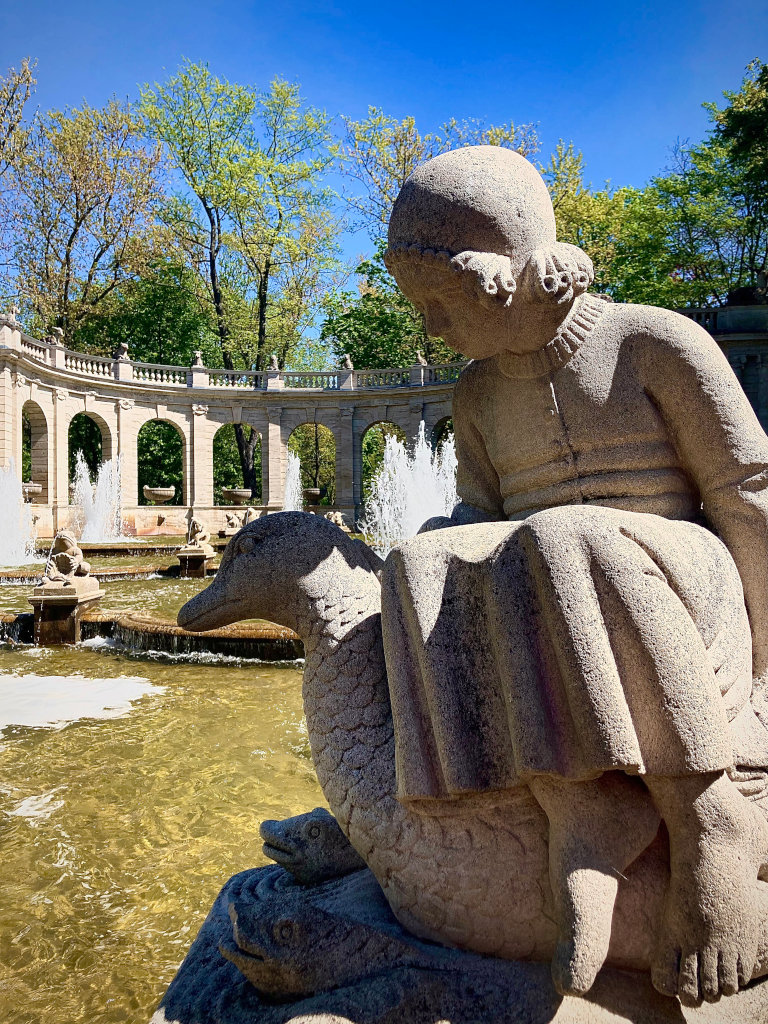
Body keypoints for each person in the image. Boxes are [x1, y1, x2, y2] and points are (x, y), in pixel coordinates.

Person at [380, 146, 768, 1005]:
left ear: (497, 278)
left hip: (686, 587)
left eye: (440, 303)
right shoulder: (476, 397)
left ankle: (710, 822)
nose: (432, 329)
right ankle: (578, 807)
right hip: (565, 597)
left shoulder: (653, 341)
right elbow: (484, 526)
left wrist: (766, 666)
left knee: (562, 536)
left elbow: (749, 496)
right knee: (419, 557)